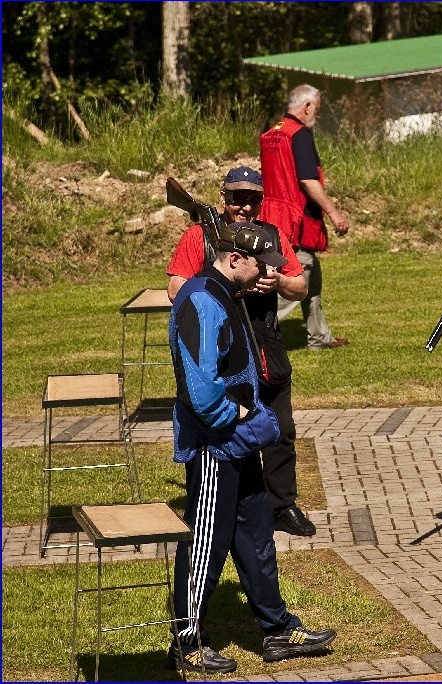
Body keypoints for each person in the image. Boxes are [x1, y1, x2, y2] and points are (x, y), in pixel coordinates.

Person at [167, 221, 336, 673]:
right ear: (236, 258)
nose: (269, 273)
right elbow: (200, 390)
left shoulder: (229, 293)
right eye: (262, 263)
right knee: (206, 545)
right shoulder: (201, 300)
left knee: (257, 534)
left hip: (239, 444)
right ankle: (186, 642)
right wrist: (239, 417)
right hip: (215, 446)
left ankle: (277, 630)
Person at [167, 166, 318, 537]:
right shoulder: (199, 235)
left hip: (266, 348)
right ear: (224, 198)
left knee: (281, 430)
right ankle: (217, 505)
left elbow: (300, 287)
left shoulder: (272, 236)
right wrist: (228, 284)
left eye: (253, 199)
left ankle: (282, 504)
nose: (245, 206)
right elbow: (176, 289)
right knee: (222, 431)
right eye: (238, 198)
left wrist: (276, 281)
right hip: (224, 351)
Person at [260, 83, 351, 350]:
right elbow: (308, 181)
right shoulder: (299, 134)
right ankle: (252, 332)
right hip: (294, 220)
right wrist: (334, 213)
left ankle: (319, 337)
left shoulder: (271, 134)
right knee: (298, 277)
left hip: (273, 216)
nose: (317, 116)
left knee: (313, 276)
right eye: (317, 110)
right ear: (307, 106)